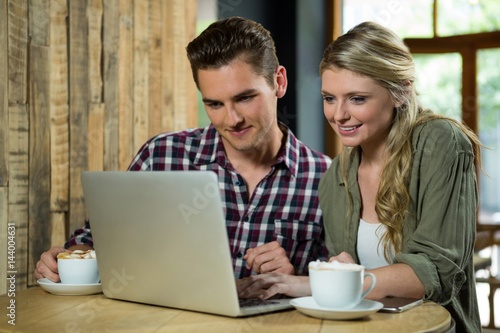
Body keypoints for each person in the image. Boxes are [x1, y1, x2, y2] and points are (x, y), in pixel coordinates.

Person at [34, 16, 331, 282]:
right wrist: (65, 260)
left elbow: (339, 278)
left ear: (279, 82)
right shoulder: (162, 156)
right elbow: (99, 241)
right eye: (214, 104)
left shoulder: (325, 177)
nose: (232, 119)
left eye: (244, 98)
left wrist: (295, 278)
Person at [238, 21, 482, 332]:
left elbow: (436, 271)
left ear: (400, 92)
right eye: (329, 98)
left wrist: (337, 280)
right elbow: (350, 279)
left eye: (357, 99)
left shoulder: (439, 142)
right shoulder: (336, 176)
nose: (338, 115)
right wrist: (300, 280)